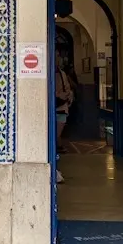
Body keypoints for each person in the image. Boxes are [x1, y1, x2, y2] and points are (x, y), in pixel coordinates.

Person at [55, 52, 74, 183]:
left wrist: (68, 95)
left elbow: (67, 87)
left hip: (61, 108)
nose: (57, 59)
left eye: (58, 56)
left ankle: (55, 170)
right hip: (52, 108)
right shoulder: (49, 73)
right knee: (54, 138)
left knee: (56, 136)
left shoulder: (62, 74)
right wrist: (58, 94)